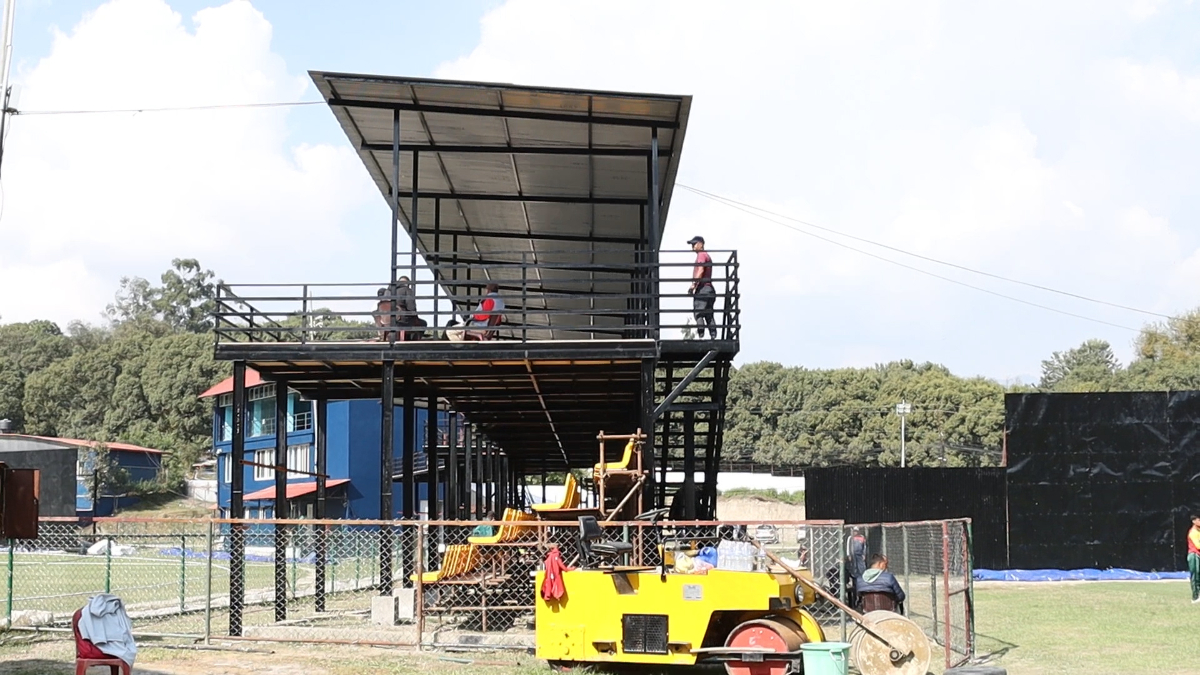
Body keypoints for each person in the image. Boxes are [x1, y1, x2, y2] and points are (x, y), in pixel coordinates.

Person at [687, 236, 716, 339]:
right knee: (709, 314)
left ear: (701, 244)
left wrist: (694, 285)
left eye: (694, 244)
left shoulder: (701, 255)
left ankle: (701, 334)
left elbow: (701, 270)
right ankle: (713, 334)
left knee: (698, 313)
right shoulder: (706, 255)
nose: (693, 246)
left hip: (703, 288)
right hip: (710, 289)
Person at [1188, 514, 1200, 603]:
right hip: (1194, 555)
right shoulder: (1193, 532)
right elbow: (1198, 545)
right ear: (1194, 521)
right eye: (1199, 520)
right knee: (1195, 575)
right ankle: (1195, 597)